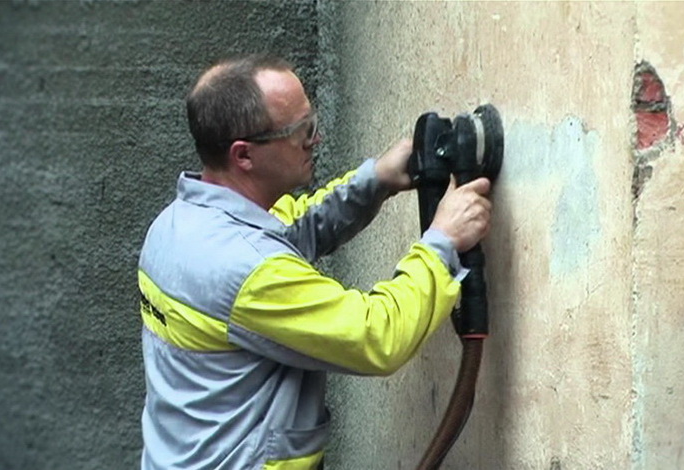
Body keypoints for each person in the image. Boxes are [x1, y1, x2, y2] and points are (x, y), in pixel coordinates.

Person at [138, 54, 492, 470]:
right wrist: (443, 242)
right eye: (301, 131)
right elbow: (376, 336)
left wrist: (375, 179)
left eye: (313, 122)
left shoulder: (176, 226)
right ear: (244, 155)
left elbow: (291, 228)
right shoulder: (247, 271)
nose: (316, 139)